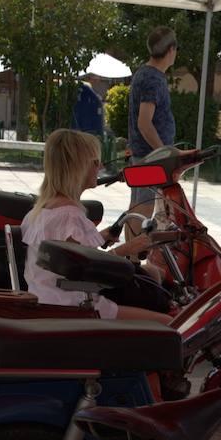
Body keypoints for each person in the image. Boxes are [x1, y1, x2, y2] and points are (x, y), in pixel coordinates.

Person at [21, 129, 171, 324]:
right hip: (74, 303)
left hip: (46, 297)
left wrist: (100, 236)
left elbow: (69, 252)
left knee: (152, 274)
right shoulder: (70, 215)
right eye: (95, 162)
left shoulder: (41, 211)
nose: (100, 166)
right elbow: (93, 271)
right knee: (169, 322)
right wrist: (129, 248)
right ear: (78, 168)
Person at [127, 26, 178, 235]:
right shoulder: (153, 79)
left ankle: (131, 258)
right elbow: (144, 122)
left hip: (143, 154)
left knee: (138, 208)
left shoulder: (144, 73)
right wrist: (164, 153)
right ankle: (132, 258)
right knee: (143, 209)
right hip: (149, 157)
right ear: (171, 49)